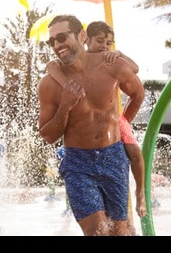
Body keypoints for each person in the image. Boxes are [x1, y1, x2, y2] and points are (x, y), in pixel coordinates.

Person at [38, 15, 145, 236]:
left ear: (82, 35)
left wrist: (122, 123)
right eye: (52, 42)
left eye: (61, 37)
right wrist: (65, 106)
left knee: (119, 232)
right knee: (97, 232)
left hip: (114, 156)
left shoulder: (111, 66)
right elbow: (47, 135)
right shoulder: (50, 84)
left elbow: (138, 93)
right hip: (78, 163)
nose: (57, 45)